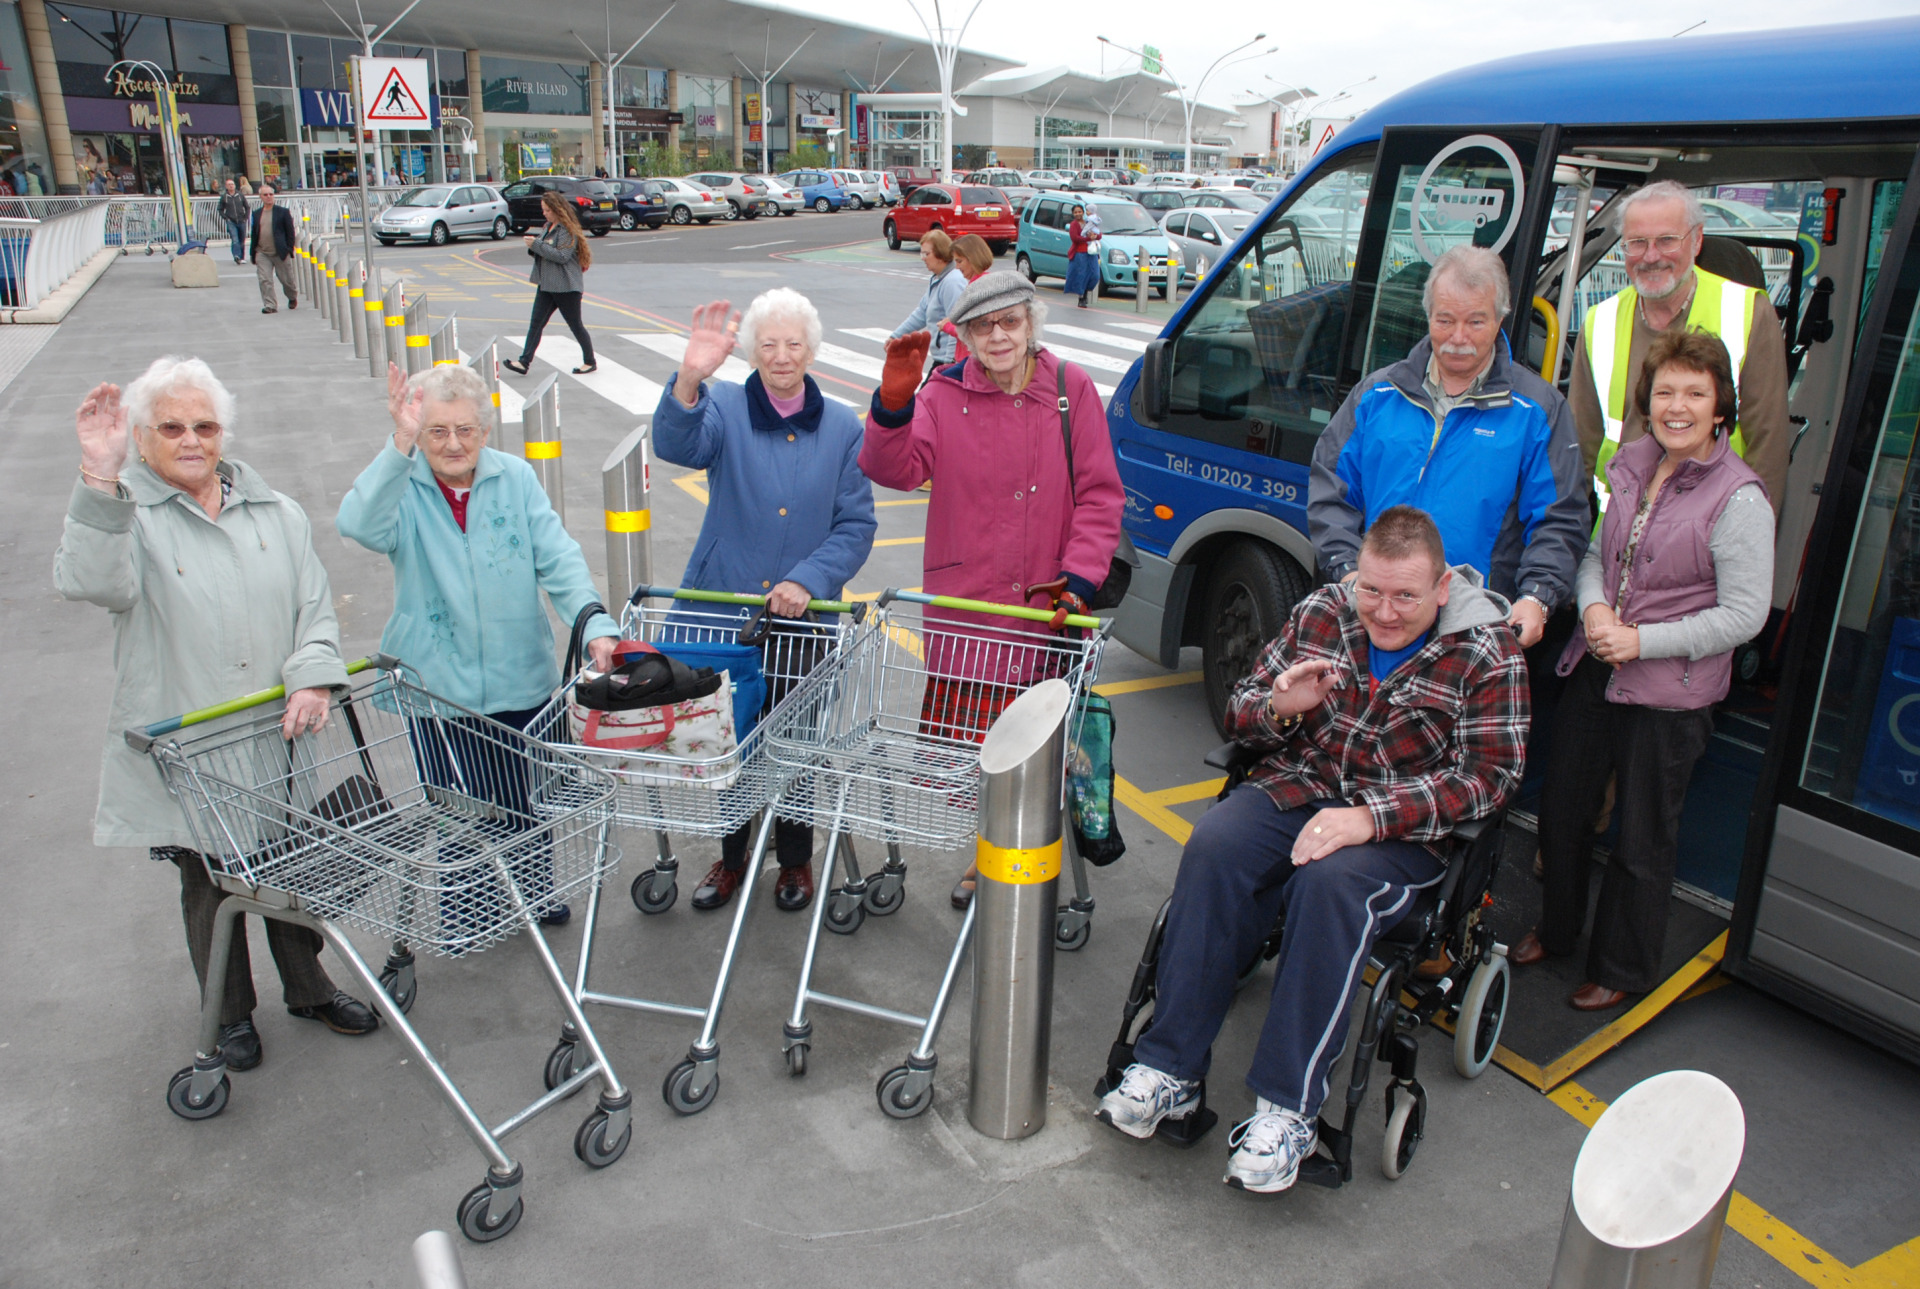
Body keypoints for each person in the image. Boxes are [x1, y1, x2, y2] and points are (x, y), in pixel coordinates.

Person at [1095, 506, 1528, 1192]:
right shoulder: (1325, 610)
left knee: (1327, 887)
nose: (1383, 613)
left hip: (1403, 828)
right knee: (1214, 844)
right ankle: (1170, 1068)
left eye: (1405, 597)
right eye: (1371, 590)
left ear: (1443, 586)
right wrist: (1277, 706)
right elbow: (1241, 708)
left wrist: (1371, 817)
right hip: (1303, 784)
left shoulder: (1486, 647)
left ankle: (1288, 1111)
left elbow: (1490, 778)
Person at [54, 357, 379, 1073]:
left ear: (223, 431)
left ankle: (309, 986)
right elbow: (87, 580)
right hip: (191, 747)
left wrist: (313, 681)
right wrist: (99, 477)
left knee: (289, 861)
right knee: (210, 882)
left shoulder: (278, 512)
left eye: (204, 425)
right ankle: (227, 1014)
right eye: (171, 427)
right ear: (142, 438)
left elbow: (315, 613)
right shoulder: (128, 515)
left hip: (279, 739)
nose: (191, 438)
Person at [1515, 331, 1772, 1009]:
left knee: (1642, 839)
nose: (1677, 405)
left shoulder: (1740, 498)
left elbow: (1745, 615)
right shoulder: (1631, 462)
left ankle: (1622, 968)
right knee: (1564, 807)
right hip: (1601, 662)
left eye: (1695, 392)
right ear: (1647, 401)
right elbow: (1600, 553)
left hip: (1671, 692)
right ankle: (1559, 929)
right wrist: (1596, 612)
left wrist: (1643, 641)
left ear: (1722, 409)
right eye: (1665, 391)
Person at [863, 270, 1124, 907]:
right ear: (965, 336)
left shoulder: (1070, 388)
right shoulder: (943, 395)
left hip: (1049, 612)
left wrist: (1082, 579)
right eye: (983, 325)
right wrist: (892, 405)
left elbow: (1098, 495)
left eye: (1009, 320)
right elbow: (894, 469)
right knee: (978, 752)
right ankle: (992, 855)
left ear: (1031, 323)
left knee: (1042, 749)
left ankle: (1038, 855)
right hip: (970, 612)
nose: (998, 335)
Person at [337, 363, 621, 929]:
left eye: (465, 429)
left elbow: (558, 558)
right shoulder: (405, 485)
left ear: (485, 433)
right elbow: (358, 525)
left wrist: (594, 624)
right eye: (437, 430)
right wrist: (399, 444)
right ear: (419, 434)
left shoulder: (513, 478)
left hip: (521, 674)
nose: (453, 443)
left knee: (524, 796)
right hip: (438, 682)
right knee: (457, 806)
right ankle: (470, 904)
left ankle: (533, 892)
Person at [653, 290, 878, 912]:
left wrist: (809, 579)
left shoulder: (840, 426)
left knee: (797, 741)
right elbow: (678, 447)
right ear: (752, 350)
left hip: (804, 622)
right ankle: (732, 858)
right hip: (724, 613)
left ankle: (797, 861)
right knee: (729, 739)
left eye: (794, 344)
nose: (781, 357)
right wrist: (689, 381)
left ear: (812, 349)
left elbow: (855, 525)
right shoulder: (722, 404)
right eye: (769, 344)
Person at [1309, 244, 1588, 649]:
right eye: (1445, 320)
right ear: (1427, 316)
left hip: (1474, 629)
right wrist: (1351, 574)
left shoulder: (1538, 412)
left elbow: (1560, 521)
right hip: (1373, 617)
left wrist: (1536, 599)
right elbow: (1330, 489)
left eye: (1476, 321)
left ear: (1500, 318)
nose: (1459, 338)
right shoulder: (1376, 395)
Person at [1570, 180, 1788, 519]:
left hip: (1708, 536)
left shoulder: (1748, 313)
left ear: (1697, 240)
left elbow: (1768, 446)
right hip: (1616, 537)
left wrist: (1748, 544)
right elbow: (1580, 448)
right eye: (1637, 243)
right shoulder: (1600, 321)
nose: (1651, 256)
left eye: (1667, 240)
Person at [503, 191, 596, 376]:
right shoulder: (549, 226)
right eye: (543, 210)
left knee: (575, 324)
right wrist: (534, 246)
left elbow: (561, 256)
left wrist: (536, 245)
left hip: (566, 287)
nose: (544, 213)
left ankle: (590, 361)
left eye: (547, 210)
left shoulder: (567, 231)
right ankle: (524, 362)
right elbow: (544, 249)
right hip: (547, 285)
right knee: (536, 323)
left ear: (556, 210)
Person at [890, 228, 966, 368]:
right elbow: (921, 313)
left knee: (925, 391)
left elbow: (956, 323)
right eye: (921, 253)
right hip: (941, 358)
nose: (922, 258)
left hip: (948, 361)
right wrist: (896, 336)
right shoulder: (937, 279)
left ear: (940, 253)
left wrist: (950, 362)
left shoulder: (952, 282)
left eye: (927, 253)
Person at [249, 185, 297, 315]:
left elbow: (290, 232)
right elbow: (254, 233)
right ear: (261, 197)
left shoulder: (283, 212)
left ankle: (292, 296)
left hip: (280, 252)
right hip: (262, 252)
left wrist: (289, 248)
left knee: (286, 280)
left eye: (271, 194)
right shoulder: (257, 213)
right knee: (265, 280)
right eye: (265, 195)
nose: (269, 197)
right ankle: (270, 305)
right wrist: (252, 253)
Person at [1063, 203, 1099, 308]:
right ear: (1073, 214)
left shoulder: (1090, 222)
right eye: (1075, 212)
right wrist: (1089, 238)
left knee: (1095, 275)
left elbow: (1099, 234)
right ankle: (1081, 297)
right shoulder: (1074, 225)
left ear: (1083, 212)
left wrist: (1095, 236)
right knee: (1081, 276)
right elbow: (1075, 238)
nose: (1078, 214)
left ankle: (1086, 292)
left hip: (1091, 253)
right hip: (1080, 253)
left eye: (1080, 211)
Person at [217, 178, 248, 265]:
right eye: (229, 184)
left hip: (241, 220)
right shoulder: (224, 197)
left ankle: (242, 257)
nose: (231, 186)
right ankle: (236, 256)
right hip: (231, 221)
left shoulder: (240, 195)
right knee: (235, 239)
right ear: (226, 186)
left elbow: (247, 206)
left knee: (242, 239)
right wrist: (226, 218)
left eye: (232, 184)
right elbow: (220, 209)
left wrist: (246, 217)